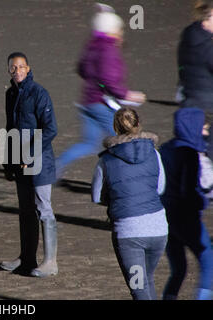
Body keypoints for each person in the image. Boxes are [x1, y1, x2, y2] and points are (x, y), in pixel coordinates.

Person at [55, 4, 146, 180]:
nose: (121, 32)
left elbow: (81, 69)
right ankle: (127, 179)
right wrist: (126, 94)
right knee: (124, 141)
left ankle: (57, 165)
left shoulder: (91, 46)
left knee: (88, 143)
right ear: (112, 30)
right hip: (101, 104)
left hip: (87, 102)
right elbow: (108, 80)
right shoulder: (109, 50)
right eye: (119, 29)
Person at [92, 107, 168, 300]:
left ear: (115, 128)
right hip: (159, 230)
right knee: (146, 281)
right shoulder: (154, 153)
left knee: (138, 287)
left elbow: (96, 196)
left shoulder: (106, 160)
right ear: (138, 123)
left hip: (129, 234)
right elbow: (160, 188)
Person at [0, 52, 59, 277]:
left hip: (40, 162)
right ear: (9, 71)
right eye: (13, 68)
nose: (17, 71)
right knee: (25, 211)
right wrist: (9, 162)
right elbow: (10, 129)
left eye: (21, 67)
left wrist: (29, 154)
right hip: (19, 163)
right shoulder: (11, 94)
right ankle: (27, 259)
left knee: (43, 208)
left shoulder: (39, 93)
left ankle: (51, 262)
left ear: (28, 68)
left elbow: (50, 128)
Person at [159, 107, 213, 300]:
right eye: (204, 128)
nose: (206, 133)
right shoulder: (189, 154)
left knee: (178, 270)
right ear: (193, 127)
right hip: (185, 217)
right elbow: (188, 191)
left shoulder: (165, 148)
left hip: (164, 216)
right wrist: (202, 202)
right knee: (209, 261)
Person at [177, 0, 213, 159]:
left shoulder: (189, 36)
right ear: (207, 19)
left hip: (190, 97)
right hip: (207, 102)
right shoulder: (207, 47)